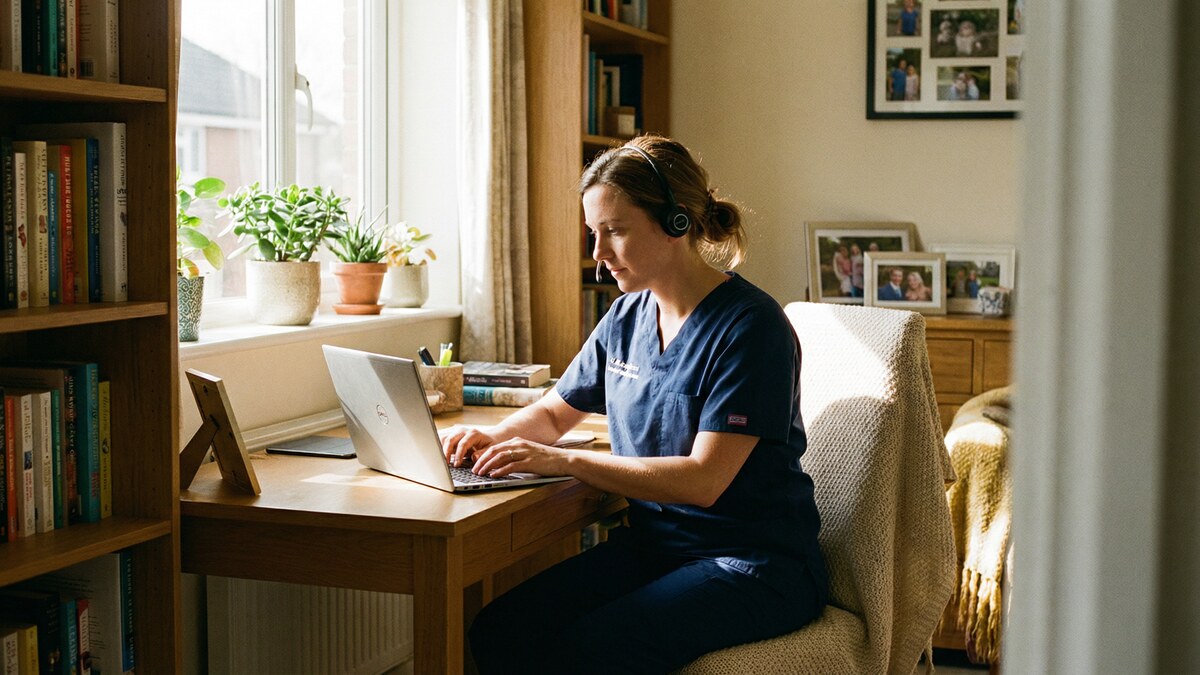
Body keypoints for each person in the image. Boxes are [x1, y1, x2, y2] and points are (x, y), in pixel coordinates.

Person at [444, 135, 828, 674]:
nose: (598, 255)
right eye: (593, 233)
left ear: (676, 224)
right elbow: (556, 412)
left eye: (615, 232)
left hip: (754, 564)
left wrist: (566, 460)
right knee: (501, 630)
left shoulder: (751, 328)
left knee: (591, 653)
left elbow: (703, 479)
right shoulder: (626, 318)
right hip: (657, 550)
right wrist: (497, 436)